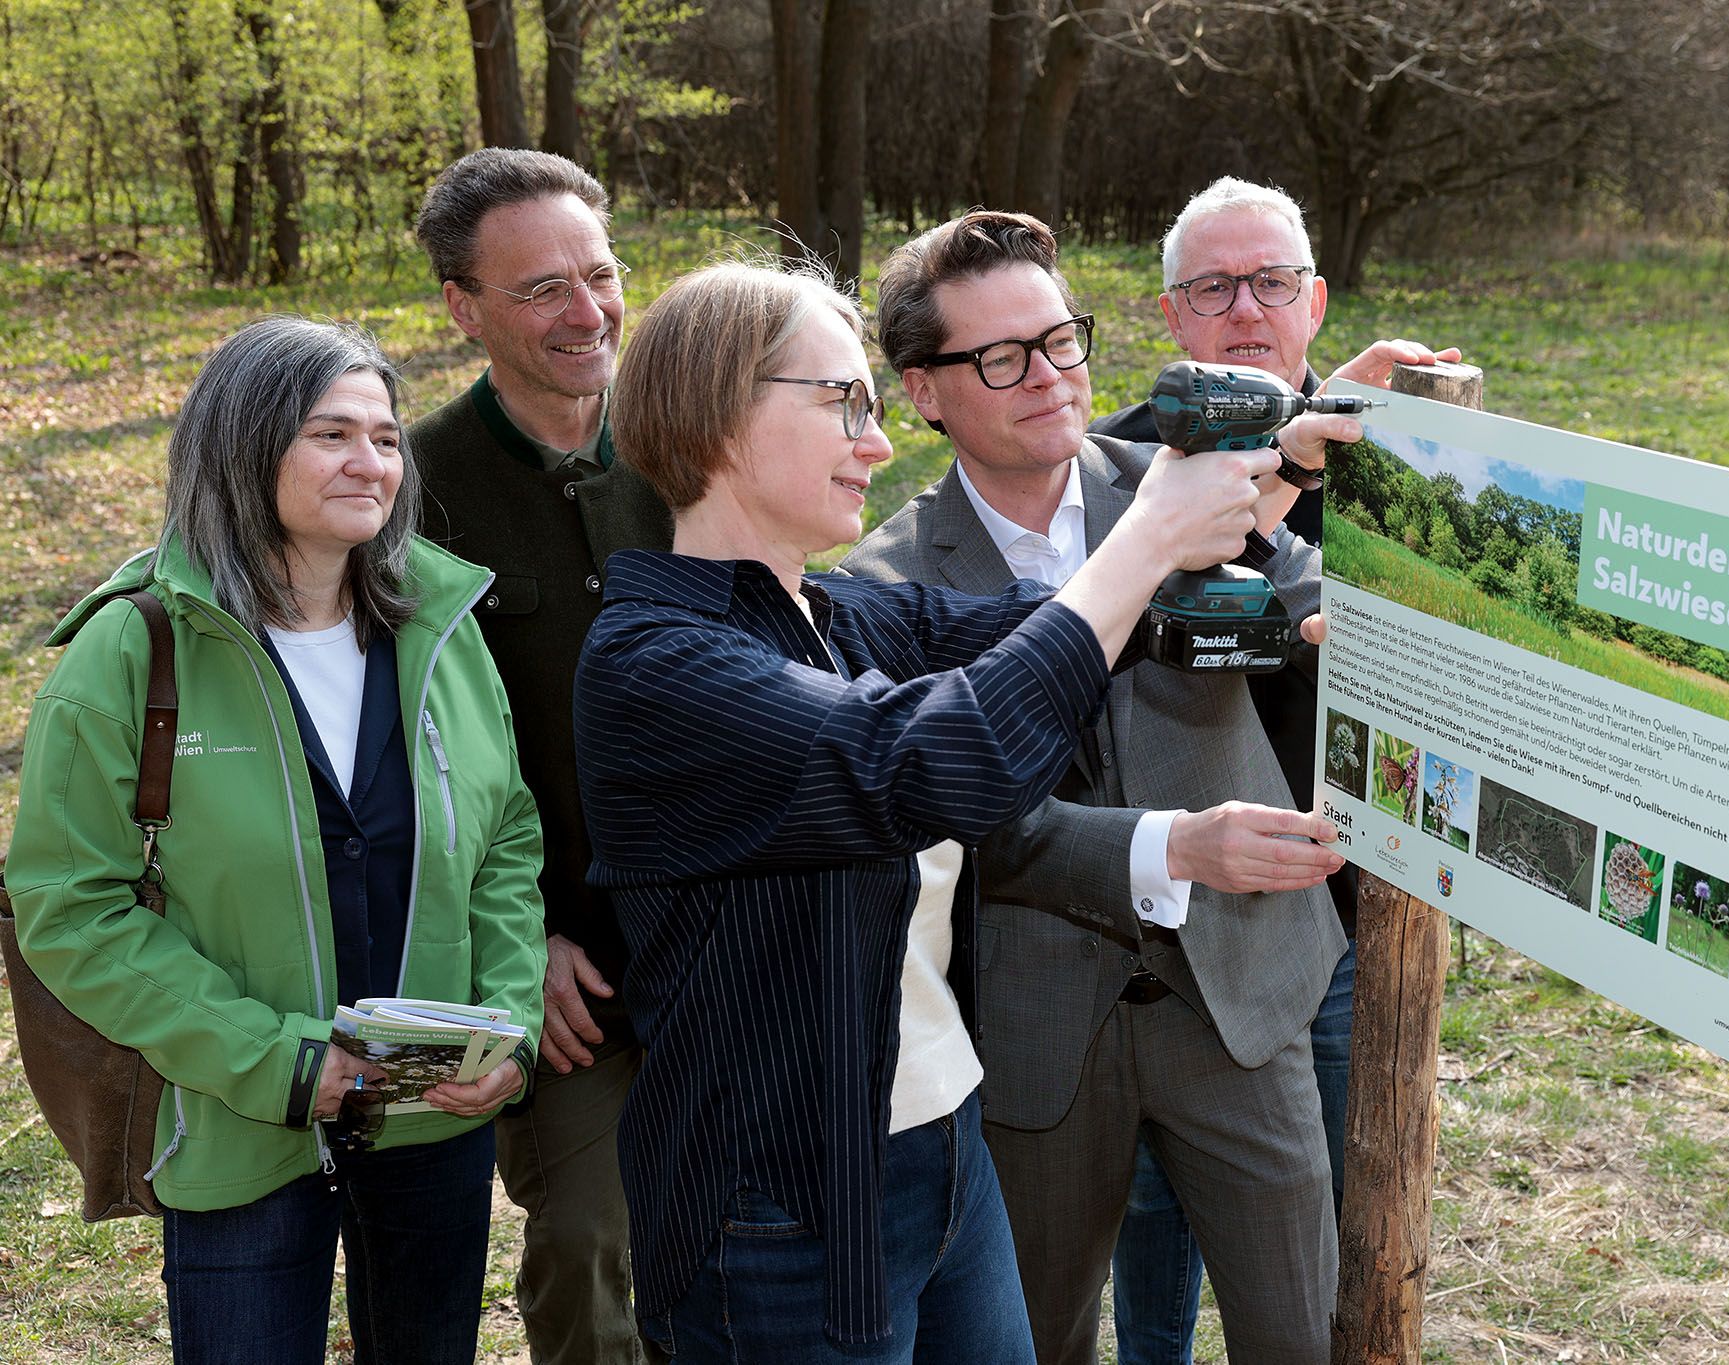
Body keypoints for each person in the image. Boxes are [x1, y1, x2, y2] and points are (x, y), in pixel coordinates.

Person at [572, 258, 1292, 1362]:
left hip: (945, 1140)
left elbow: (1046, 625)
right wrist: (1148, 535)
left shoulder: (838, 616)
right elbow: (938, 758)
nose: (874, 443)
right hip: (784, 1206)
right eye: (842, 403)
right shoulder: (656, 663)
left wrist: (1250, 530)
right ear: (718, 415)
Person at [842, 209, 1347, 1365]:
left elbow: (1310, 603)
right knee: (1033, 1339)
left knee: (1295, 1334)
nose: (1049, 377)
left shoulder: (1193, 487)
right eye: (1000, 358)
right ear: (921, 391)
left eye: (1060, 340)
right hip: (1032, 1031)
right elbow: (964, 814)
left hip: (1242, 992)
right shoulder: (885, 583)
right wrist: (1174, 845)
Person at [9, 316, 545, 1363]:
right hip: (239, 1119)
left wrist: (508, 1030)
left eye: (385, 438)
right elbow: (69, 906)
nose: (370, 462)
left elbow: (505, 840)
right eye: (330, 434)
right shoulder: (134, 645)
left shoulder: (440, 626)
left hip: (433, 1116)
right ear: (243, 445)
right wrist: (277, 1062)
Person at [1090, 176, 1460, 1361]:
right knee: (1153, 1246)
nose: (1243, 308)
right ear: (1168, 314)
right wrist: (1277, 446)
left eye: (1269, 282)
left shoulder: (1396, 465)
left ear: (1314, 300)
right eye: (1211, 287)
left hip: (1336, 921)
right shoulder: (1116, 469)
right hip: (1161, 933)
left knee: (1336, 1229)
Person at [409, 148, 672, 1365]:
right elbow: (397, 764)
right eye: (540, 290)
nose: (587, 312)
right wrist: (523, 945)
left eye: (599, 275)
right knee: (584, 1239)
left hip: (719, 931)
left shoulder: (691, 443)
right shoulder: (409, 492)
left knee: (748, 1233)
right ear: (462, 310)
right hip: (558, 969)